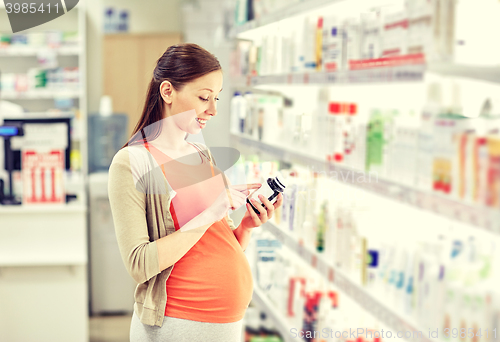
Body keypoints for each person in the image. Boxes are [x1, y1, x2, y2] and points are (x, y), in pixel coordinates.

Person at [107, 43, 283, 342]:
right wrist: (212, 211)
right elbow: (139, 264)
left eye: (216, 98)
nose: (212, 110)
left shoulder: (201, 153)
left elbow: (213, 243)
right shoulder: (131, 162)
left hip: (226, 325)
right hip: (177, 324)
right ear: (167, 91)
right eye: (203, 98)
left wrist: (246, 227)